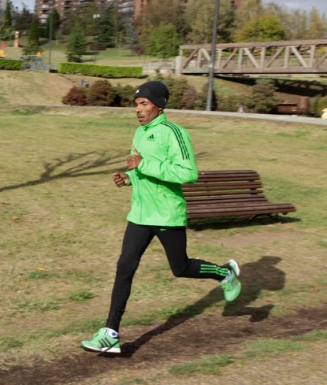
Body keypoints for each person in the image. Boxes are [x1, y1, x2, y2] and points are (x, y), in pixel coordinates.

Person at [80, 81, 241, 354]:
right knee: (124, 268)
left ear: (159, 105)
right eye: (136, 105)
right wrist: (128, 178)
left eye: (144, 104)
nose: (138, 110)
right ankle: (110, 334)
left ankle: (225, 273)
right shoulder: (139, 133)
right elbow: (140, 169)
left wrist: (144, 164)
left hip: (166, 213)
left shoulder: (174, 133)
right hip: (141, 214)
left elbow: (187, 173)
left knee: (180, 268)